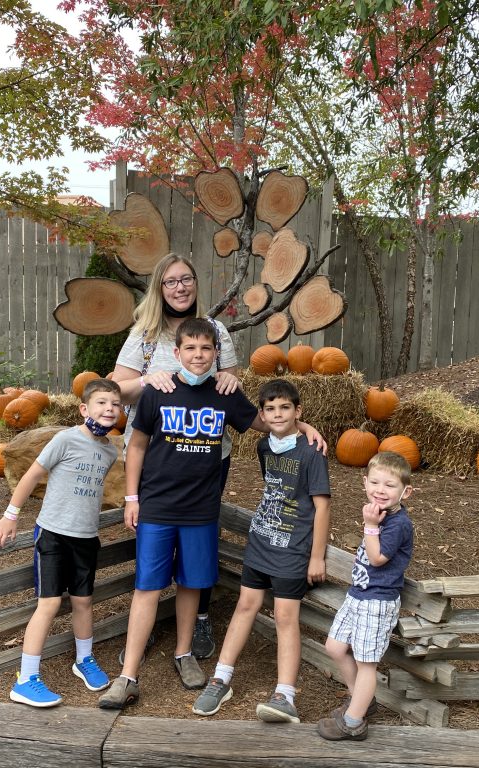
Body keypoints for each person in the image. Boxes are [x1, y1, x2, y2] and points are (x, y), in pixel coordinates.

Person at [99, 319, 324, 710]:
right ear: (178, 352)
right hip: (157, 505)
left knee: (191, 582)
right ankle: (128, 675)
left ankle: (184, 654)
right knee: (147, 586)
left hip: (202, 508)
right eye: (191, 349)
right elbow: (135, 447)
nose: (198, 356)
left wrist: (302, 424)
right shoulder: (157, 391)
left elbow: (261, 421)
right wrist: (132, 497)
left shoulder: (225, 393)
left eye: (206, 349)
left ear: (216, 353)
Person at [112, 252, 240, 659]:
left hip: (207, 451)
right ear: (159, 288)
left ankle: (200, 617)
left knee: (199, 538)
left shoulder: (214, 329)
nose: (180, 287)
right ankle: (146, 621)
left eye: (186, 279)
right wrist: (149, 379)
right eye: (170, 282)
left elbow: (231, 382)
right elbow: (118, 388)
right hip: (157, 454)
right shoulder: (146, 334)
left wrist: (232, 377)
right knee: (154, 538)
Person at [191, 378, 330, 723]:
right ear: (262, 415)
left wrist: (316, 556)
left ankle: (286, 695)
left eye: (285, 408)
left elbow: (322, 507)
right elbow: (274, 488)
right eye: (270, 409)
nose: (278, 414)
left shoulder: (312, 452)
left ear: (298, 411)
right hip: (261, 540)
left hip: (293, 548)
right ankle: (221, 678)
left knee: (285, 618)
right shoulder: (264, 447)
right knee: (245, 605)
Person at [0, 378, 123, 707]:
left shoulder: (109, 450)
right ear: (84, 408)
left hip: (86, 538)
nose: (109, 409)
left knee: (83, 602)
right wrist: (10, 514)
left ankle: (84, 659)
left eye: (115, 405)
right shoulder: (65, 439)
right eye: (102, 402)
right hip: (53, 535)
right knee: (48, 604)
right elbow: (32, 475)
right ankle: (26, 678)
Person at [317, 451, 414, 741]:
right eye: (375, 482)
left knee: (366, 662)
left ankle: (353, 721)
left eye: (390, 485)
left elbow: (376, 559)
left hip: (378, 600)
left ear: (405, 492)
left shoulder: (398, 524)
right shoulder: (380, 513)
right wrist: (372, 522)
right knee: (334, 647)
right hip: (358, 595)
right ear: (365, 482)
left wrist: (369, 525)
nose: (380, 490)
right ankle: (362, 698)